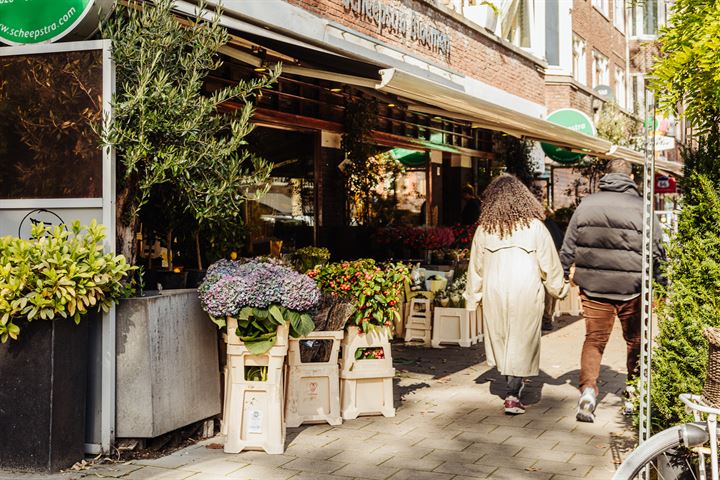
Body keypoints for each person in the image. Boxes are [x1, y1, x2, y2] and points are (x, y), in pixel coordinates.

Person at [559, 159, 665, 423]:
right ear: (629, 176)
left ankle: (587, 394)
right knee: (636, 341)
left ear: (607, 176)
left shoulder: (587, 205)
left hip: (594, 287)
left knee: (594, 339)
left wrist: (562, 273)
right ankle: (633, 394)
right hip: (632, 289)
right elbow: (657, 249)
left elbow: (568, 244)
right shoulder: (642, 207)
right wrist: (662, 283)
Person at [464, 174, 569, 415]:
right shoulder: (535, 228)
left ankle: (511, 387)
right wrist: (560, 289)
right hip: (526, 289)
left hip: (495, 290)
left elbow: (475, 268)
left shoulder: (484, 230)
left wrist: (473, 298)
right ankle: (513, 391)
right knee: (523, 338)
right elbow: (550, 265)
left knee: (501, 337)